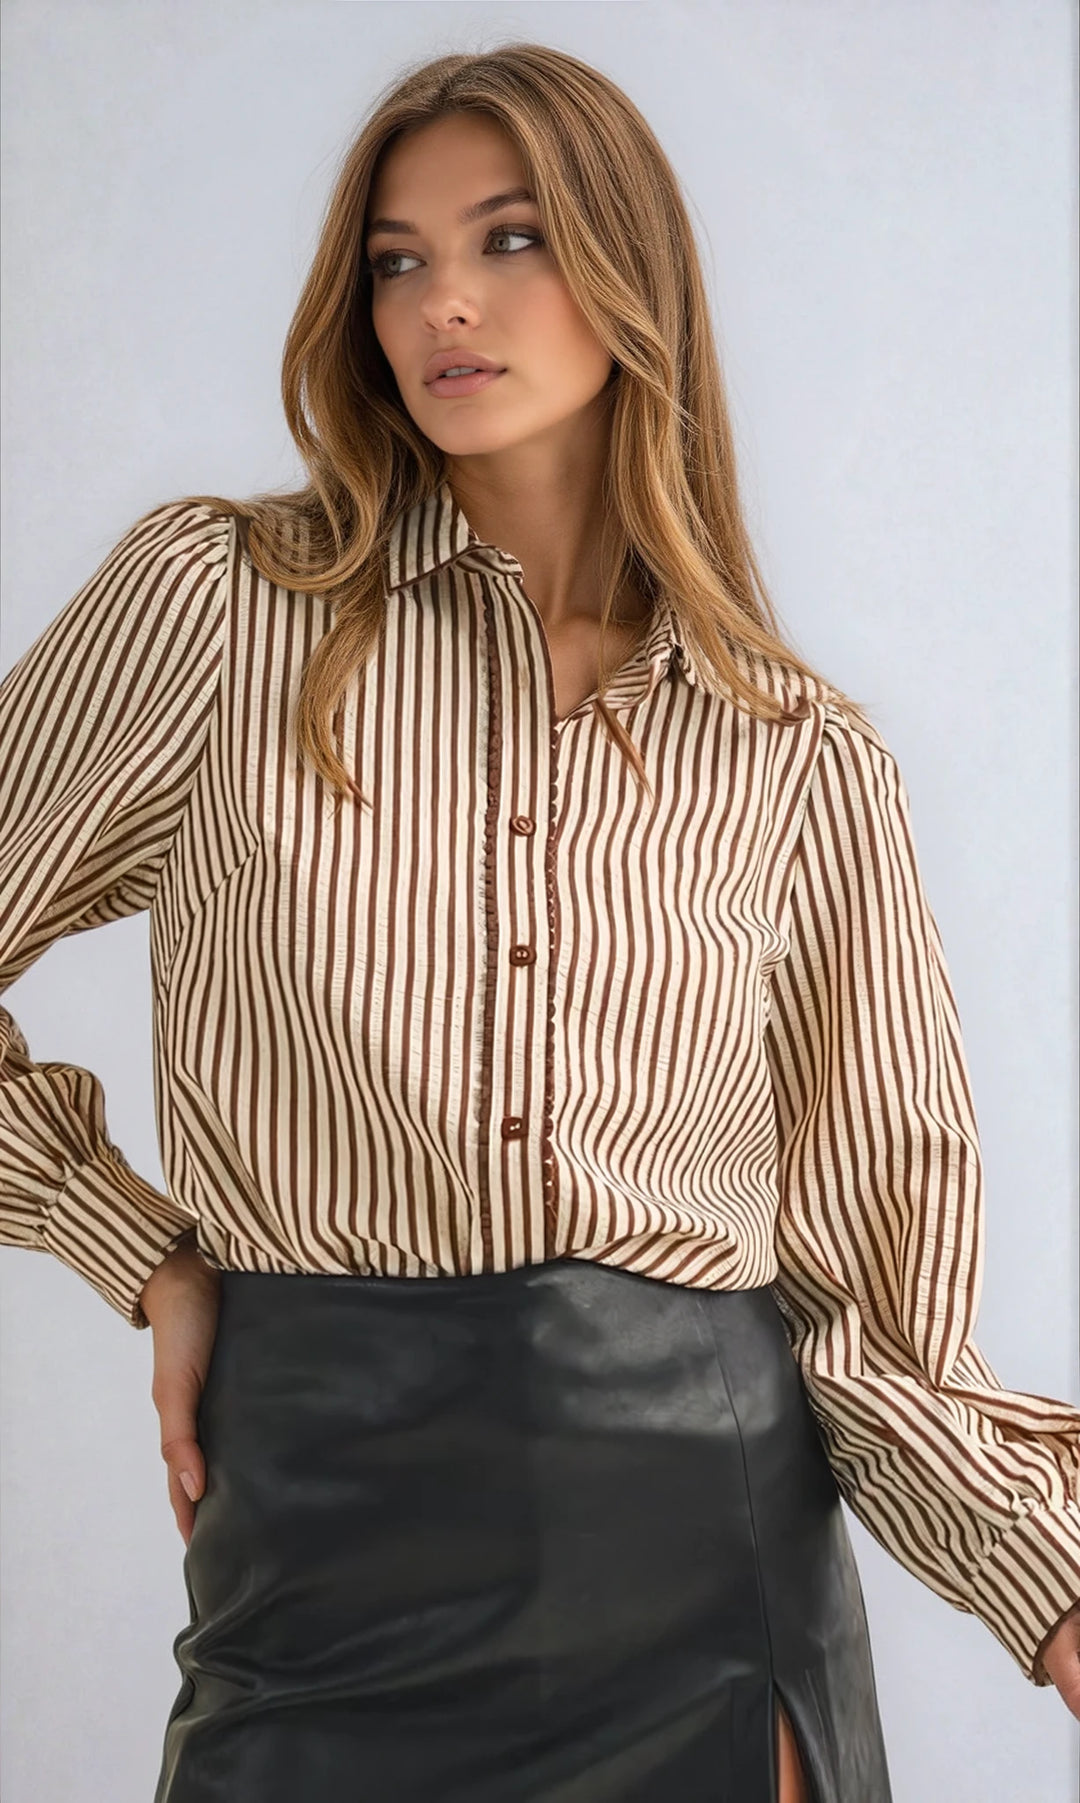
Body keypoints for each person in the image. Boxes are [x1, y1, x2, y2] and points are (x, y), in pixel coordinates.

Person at [2, 41, 1078, 1803]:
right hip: (318, 1586)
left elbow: (871, 1316)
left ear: (629, 271)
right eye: (399, 259)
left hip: (704, 1592)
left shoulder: (797, 758)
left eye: (510, 240)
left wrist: (1050, 1590)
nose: (447, 304)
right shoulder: (216, 614)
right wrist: (135, 1243)